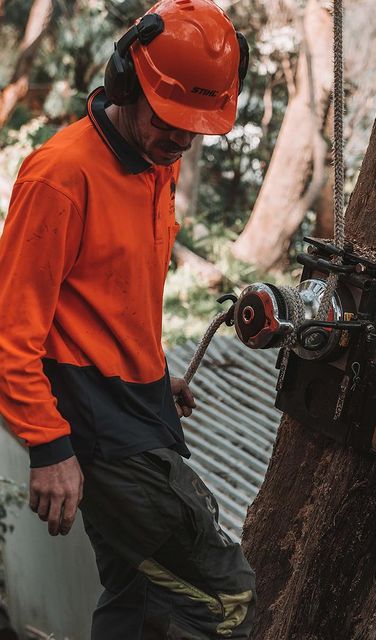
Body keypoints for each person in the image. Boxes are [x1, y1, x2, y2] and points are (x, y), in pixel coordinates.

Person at [0, 0, 255, 637]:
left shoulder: (154, 167)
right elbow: (9, 332)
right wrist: (49, 445)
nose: (181, 139)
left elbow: (112, 302)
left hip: (133, 403)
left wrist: (146, 377)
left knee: (140, 599)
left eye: (196, 127)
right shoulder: (61, 176)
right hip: (97, 425)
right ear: (125, 83)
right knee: (225, 598)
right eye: (170, 119)